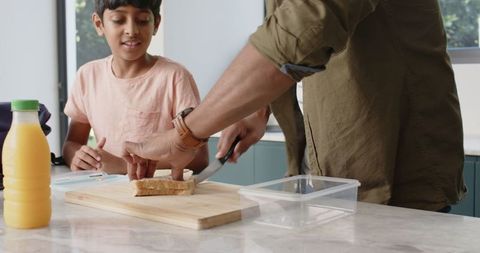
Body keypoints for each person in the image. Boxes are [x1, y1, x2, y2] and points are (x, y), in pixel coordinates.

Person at [122, 0, 465, 212]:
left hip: (395, 175)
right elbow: (283, 26)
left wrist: (185, 133)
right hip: (334, 180)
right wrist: (257, 109)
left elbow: (305, 26)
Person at [63, 0, 208, 180]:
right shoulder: (88, 75)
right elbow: (72, 143)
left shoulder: (175, 77)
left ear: (156, 24)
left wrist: (122, 165)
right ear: (99, 24)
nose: (131, 30)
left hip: (163, 198)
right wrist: (78, 157)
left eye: (142, 20)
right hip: (106, 195)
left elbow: (200, 158)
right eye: (118, 20)